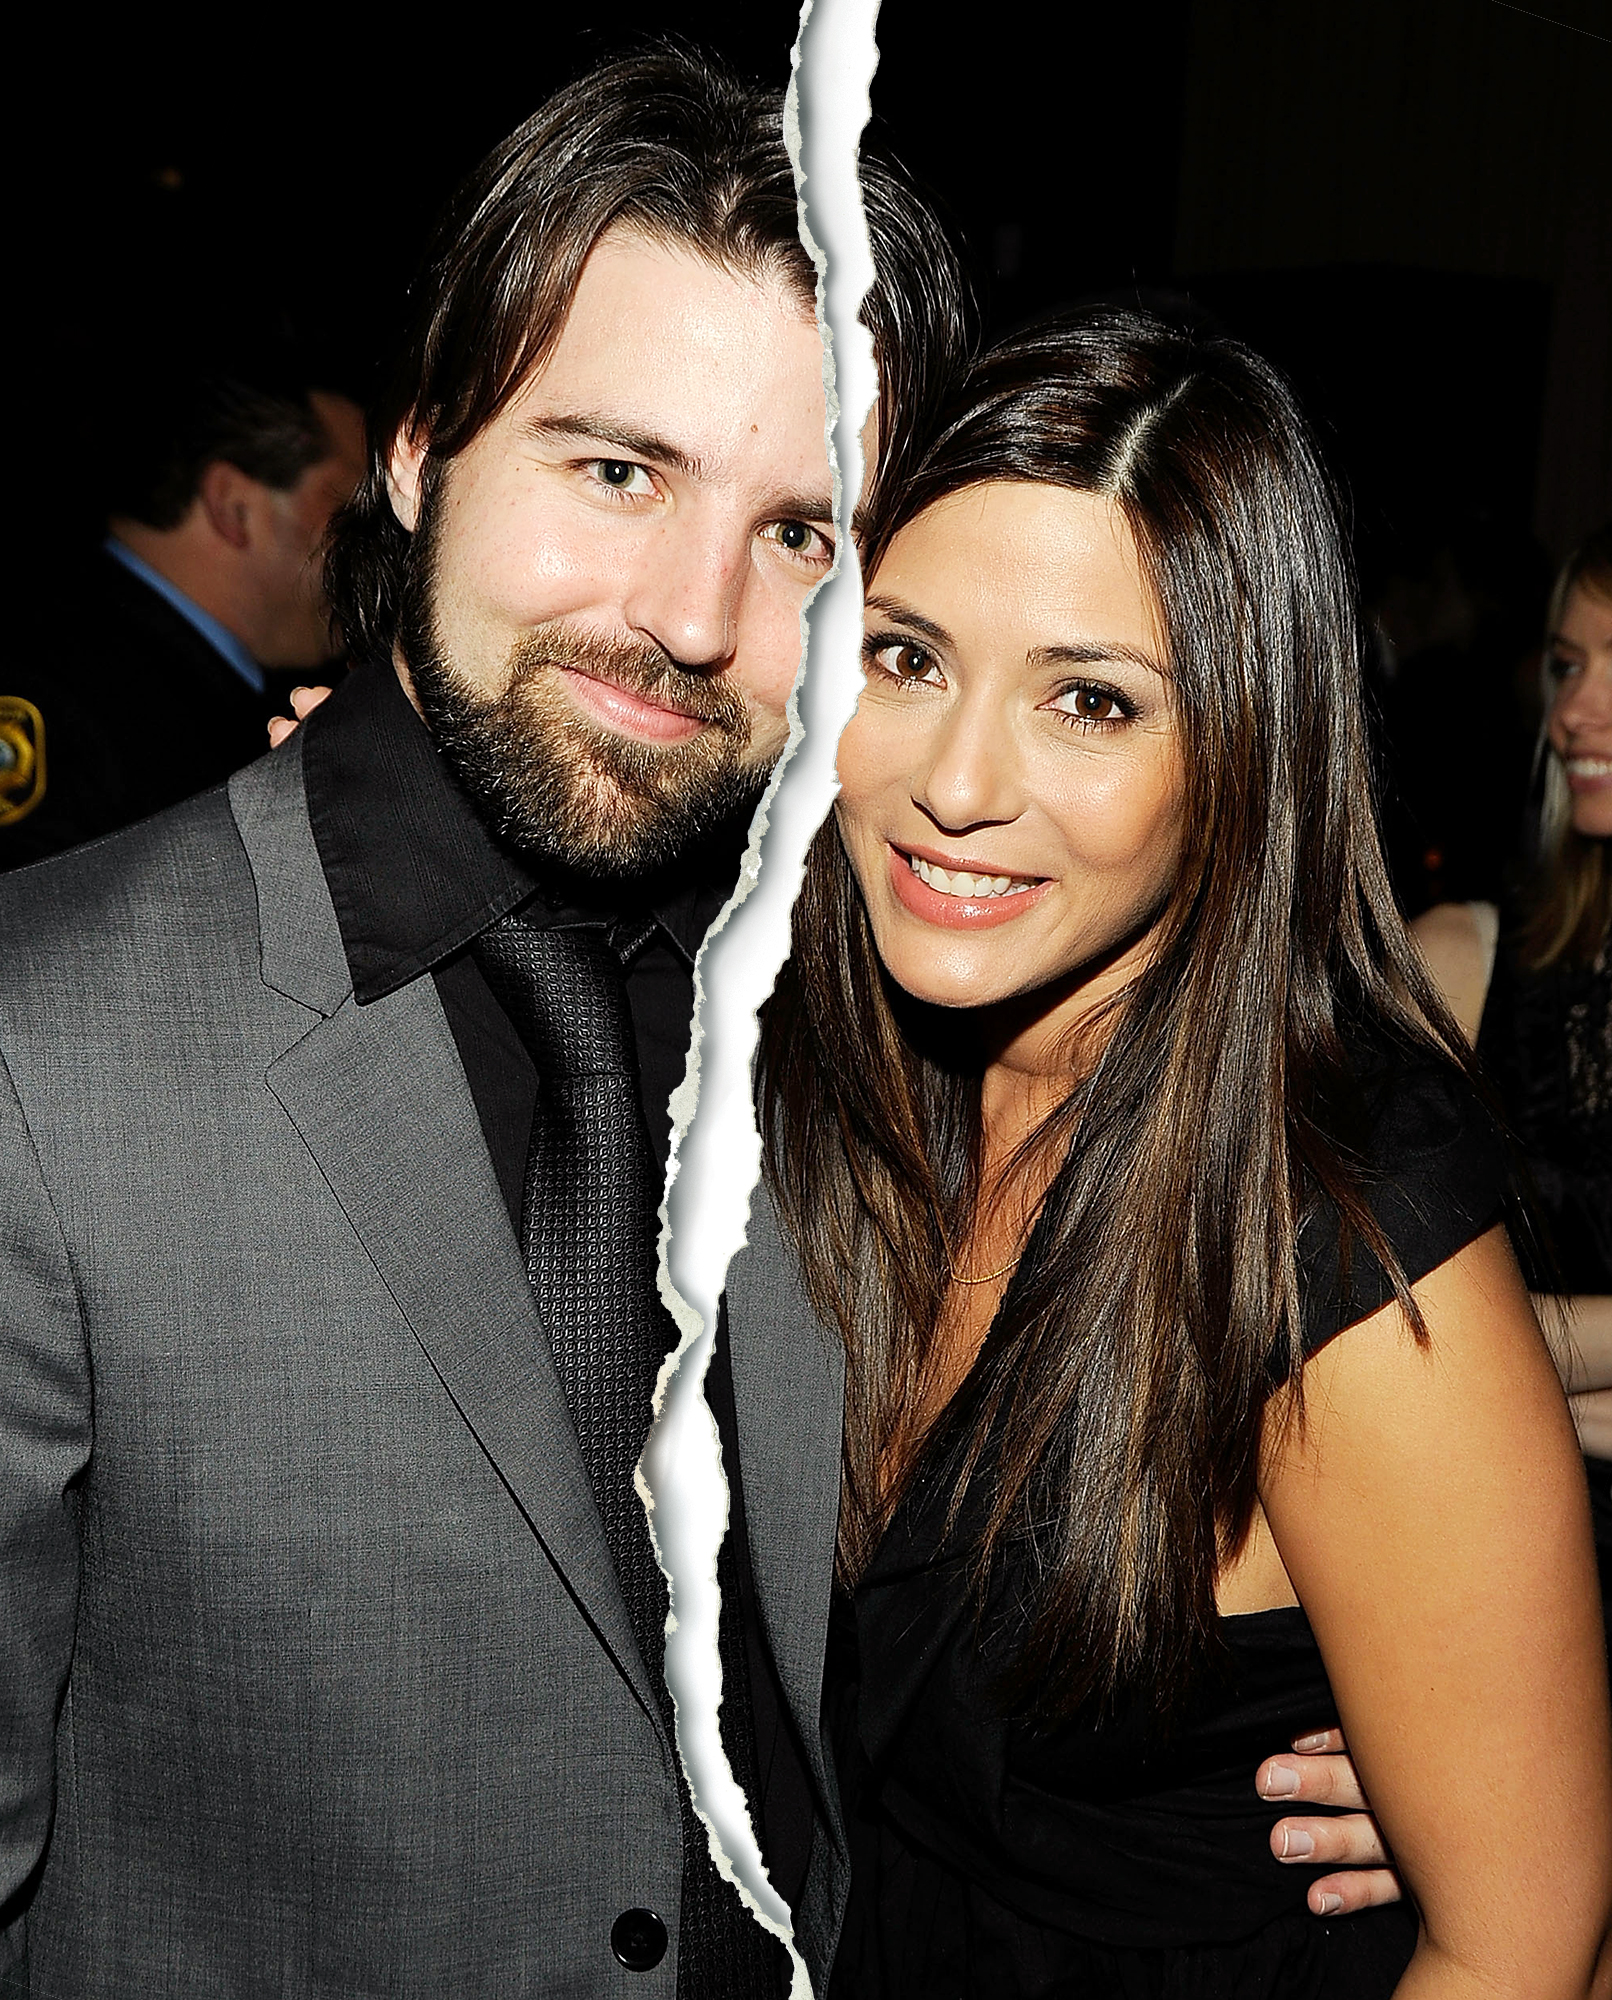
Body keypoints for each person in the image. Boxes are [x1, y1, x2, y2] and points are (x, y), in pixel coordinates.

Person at [0, 54, 1413, 1998]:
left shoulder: (891, 988)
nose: (686, 614)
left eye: (802, 533)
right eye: (616, 471)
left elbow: (1236, 1331)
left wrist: (1391, 1718)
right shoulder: (49, 1044)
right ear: (414, 448)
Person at [747, 311, 1611, 1994]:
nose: (956, 785)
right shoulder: (816, 1076)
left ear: (1241, 751)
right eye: (907, 660)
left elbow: (1520, 1952)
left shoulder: (1339, 1227)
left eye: (1088, 701)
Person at [1411, 523, 1612, 1626]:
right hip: (1495, 1579)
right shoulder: (1463, 963)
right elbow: (1362, 1327)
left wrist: (1522, 1355)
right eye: (1568, 664)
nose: (1575, 710)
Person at [1, 351, 366, 867]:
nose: (377, 548)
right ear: (233, 506)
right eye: (349, 509)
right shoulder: (56, 703)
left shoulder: (168, 680)